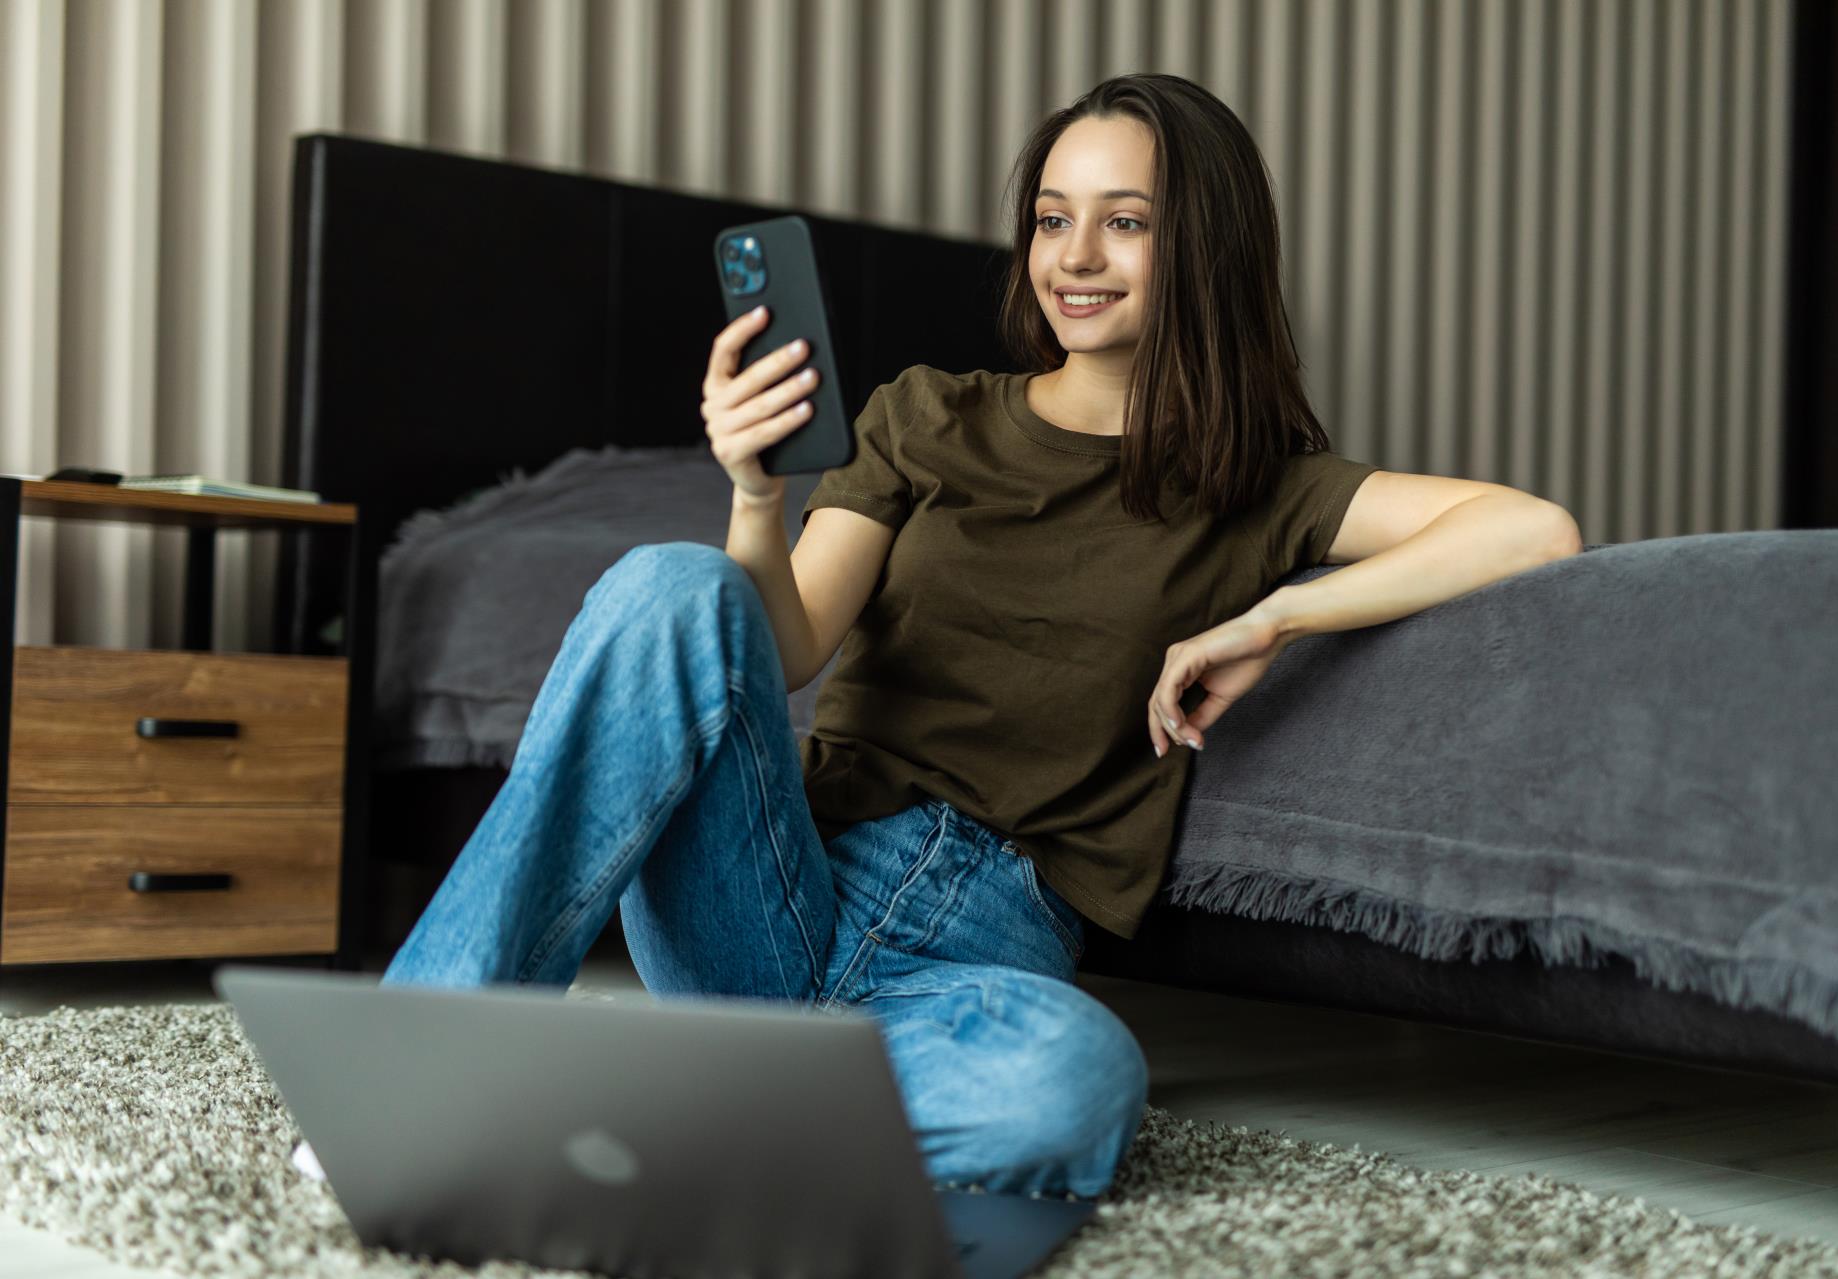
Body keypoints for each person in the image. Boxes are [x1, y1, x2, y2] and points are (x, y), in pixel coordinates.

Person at [369, 72, 1389, 1202]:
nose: (1076, 256)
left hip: (973, 964)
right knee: (674, 579)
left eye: (1127, 221)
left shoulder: (1263, 487)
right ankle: (421, 1069)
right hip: (776, 881)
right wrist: (757, 497)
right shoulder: (924, 416)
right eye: (1053, 218)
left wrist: (1279, 612)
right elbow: (787, 641)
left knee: (1080, 1083)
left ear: (1209, 245)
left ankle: (692, 1106)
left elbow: (1529, 527)